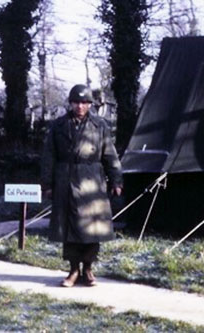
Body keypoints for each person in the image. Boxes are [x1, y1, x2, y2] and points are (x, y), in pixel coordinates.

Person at [41, 84, 123, 287]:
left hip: (91, 182)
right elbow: (48, 156)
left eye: (85, 103)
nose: (80, 106)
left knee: (92, 228)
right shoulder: (58, 126)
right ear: (70, 103)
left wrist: (116, 180)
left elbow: (110, 155)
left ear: (90, 105)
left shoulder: (100, 125)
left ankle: (88, 270)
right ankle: (73, 271)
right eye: (76, 102)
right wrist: (47, 184)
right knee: (68, 228)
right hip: (65, 180)